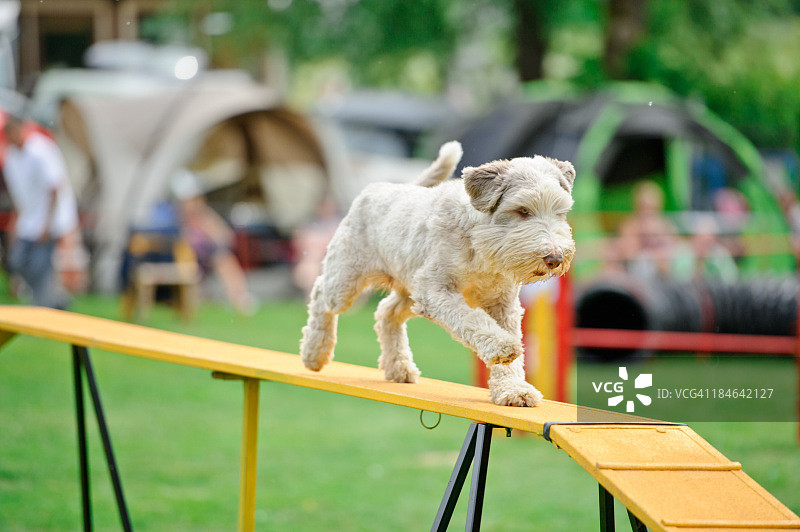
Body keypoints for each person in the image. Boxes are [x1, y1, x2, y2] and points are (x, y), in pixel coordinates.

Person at [2, 115, 78, 309]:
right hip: (30, 219)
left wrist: (47, 224)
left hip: (49, 218)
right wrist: (16, 222)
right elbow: (17, 194)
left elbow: (54, 187)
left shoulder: (40, 149)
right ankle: (55, 300)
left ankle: (44, 302)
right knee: (17, 260)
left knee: (40, 265)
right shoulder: (12, 157)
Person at [171, 169, 257, 315]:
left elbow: (226, 237)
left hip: (204, 259)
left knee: (223, 258)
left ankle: (240, 298)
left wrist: (211, 233)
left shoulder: (204, 216)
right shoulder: (175, 219)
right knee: (211, 259)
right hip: (183, 260)